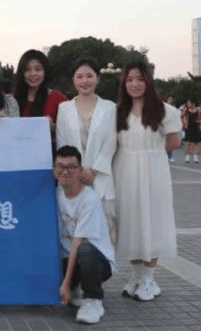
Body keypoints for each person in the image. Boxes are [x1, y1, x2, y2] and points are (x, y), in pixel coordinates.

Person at [113, 62, 181, 302]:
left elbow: (174, 141)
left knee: (153, 222)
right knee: (130, 222)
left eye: (140, 79)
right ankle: (136, 275)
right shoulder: (117, 112)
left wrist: (150, 152)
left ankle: (149, 278)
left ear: (149, 82)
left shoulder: (164, 111)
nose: (135, 84)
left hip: (154, 171)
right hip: (124, 170)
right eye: (130, 79)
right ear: (124, 83)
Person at [56, 58, 117, 244]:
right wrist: (76, 171)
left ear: (98, 78)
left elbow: (111, 141)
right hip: (73, 178)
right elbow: (62, 143)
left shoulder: (109, 108)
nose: (85, 81)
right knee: (75, 232)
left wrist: (94, 170)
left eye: (89, 76)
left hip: (101, 177)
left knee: (104, 231)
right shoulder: (64, 109)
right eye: (80, 76)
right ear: (73, 80)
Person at [54, 145, 115, 325]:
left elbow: (77, 243)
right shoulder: (55, 195)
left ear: (80, 170)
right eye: (60, 166)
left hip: (96, 261)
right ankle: (76, 288)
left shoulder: (89, 199)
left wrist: (65, 284)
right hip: (69, 260)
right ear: (54, 169)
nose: (65, 171)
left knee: (85, 250)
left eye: (71, 167)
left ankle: (93, 300)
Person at [13, 49, 67, 142]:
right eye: (27, 70)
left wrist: (52, 126)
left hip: (49, 150)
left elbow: (70, 130)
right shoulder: (13, 100)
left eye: (38, 69)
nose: (33, 74)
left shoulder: (58, 98)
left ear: (45, 71)